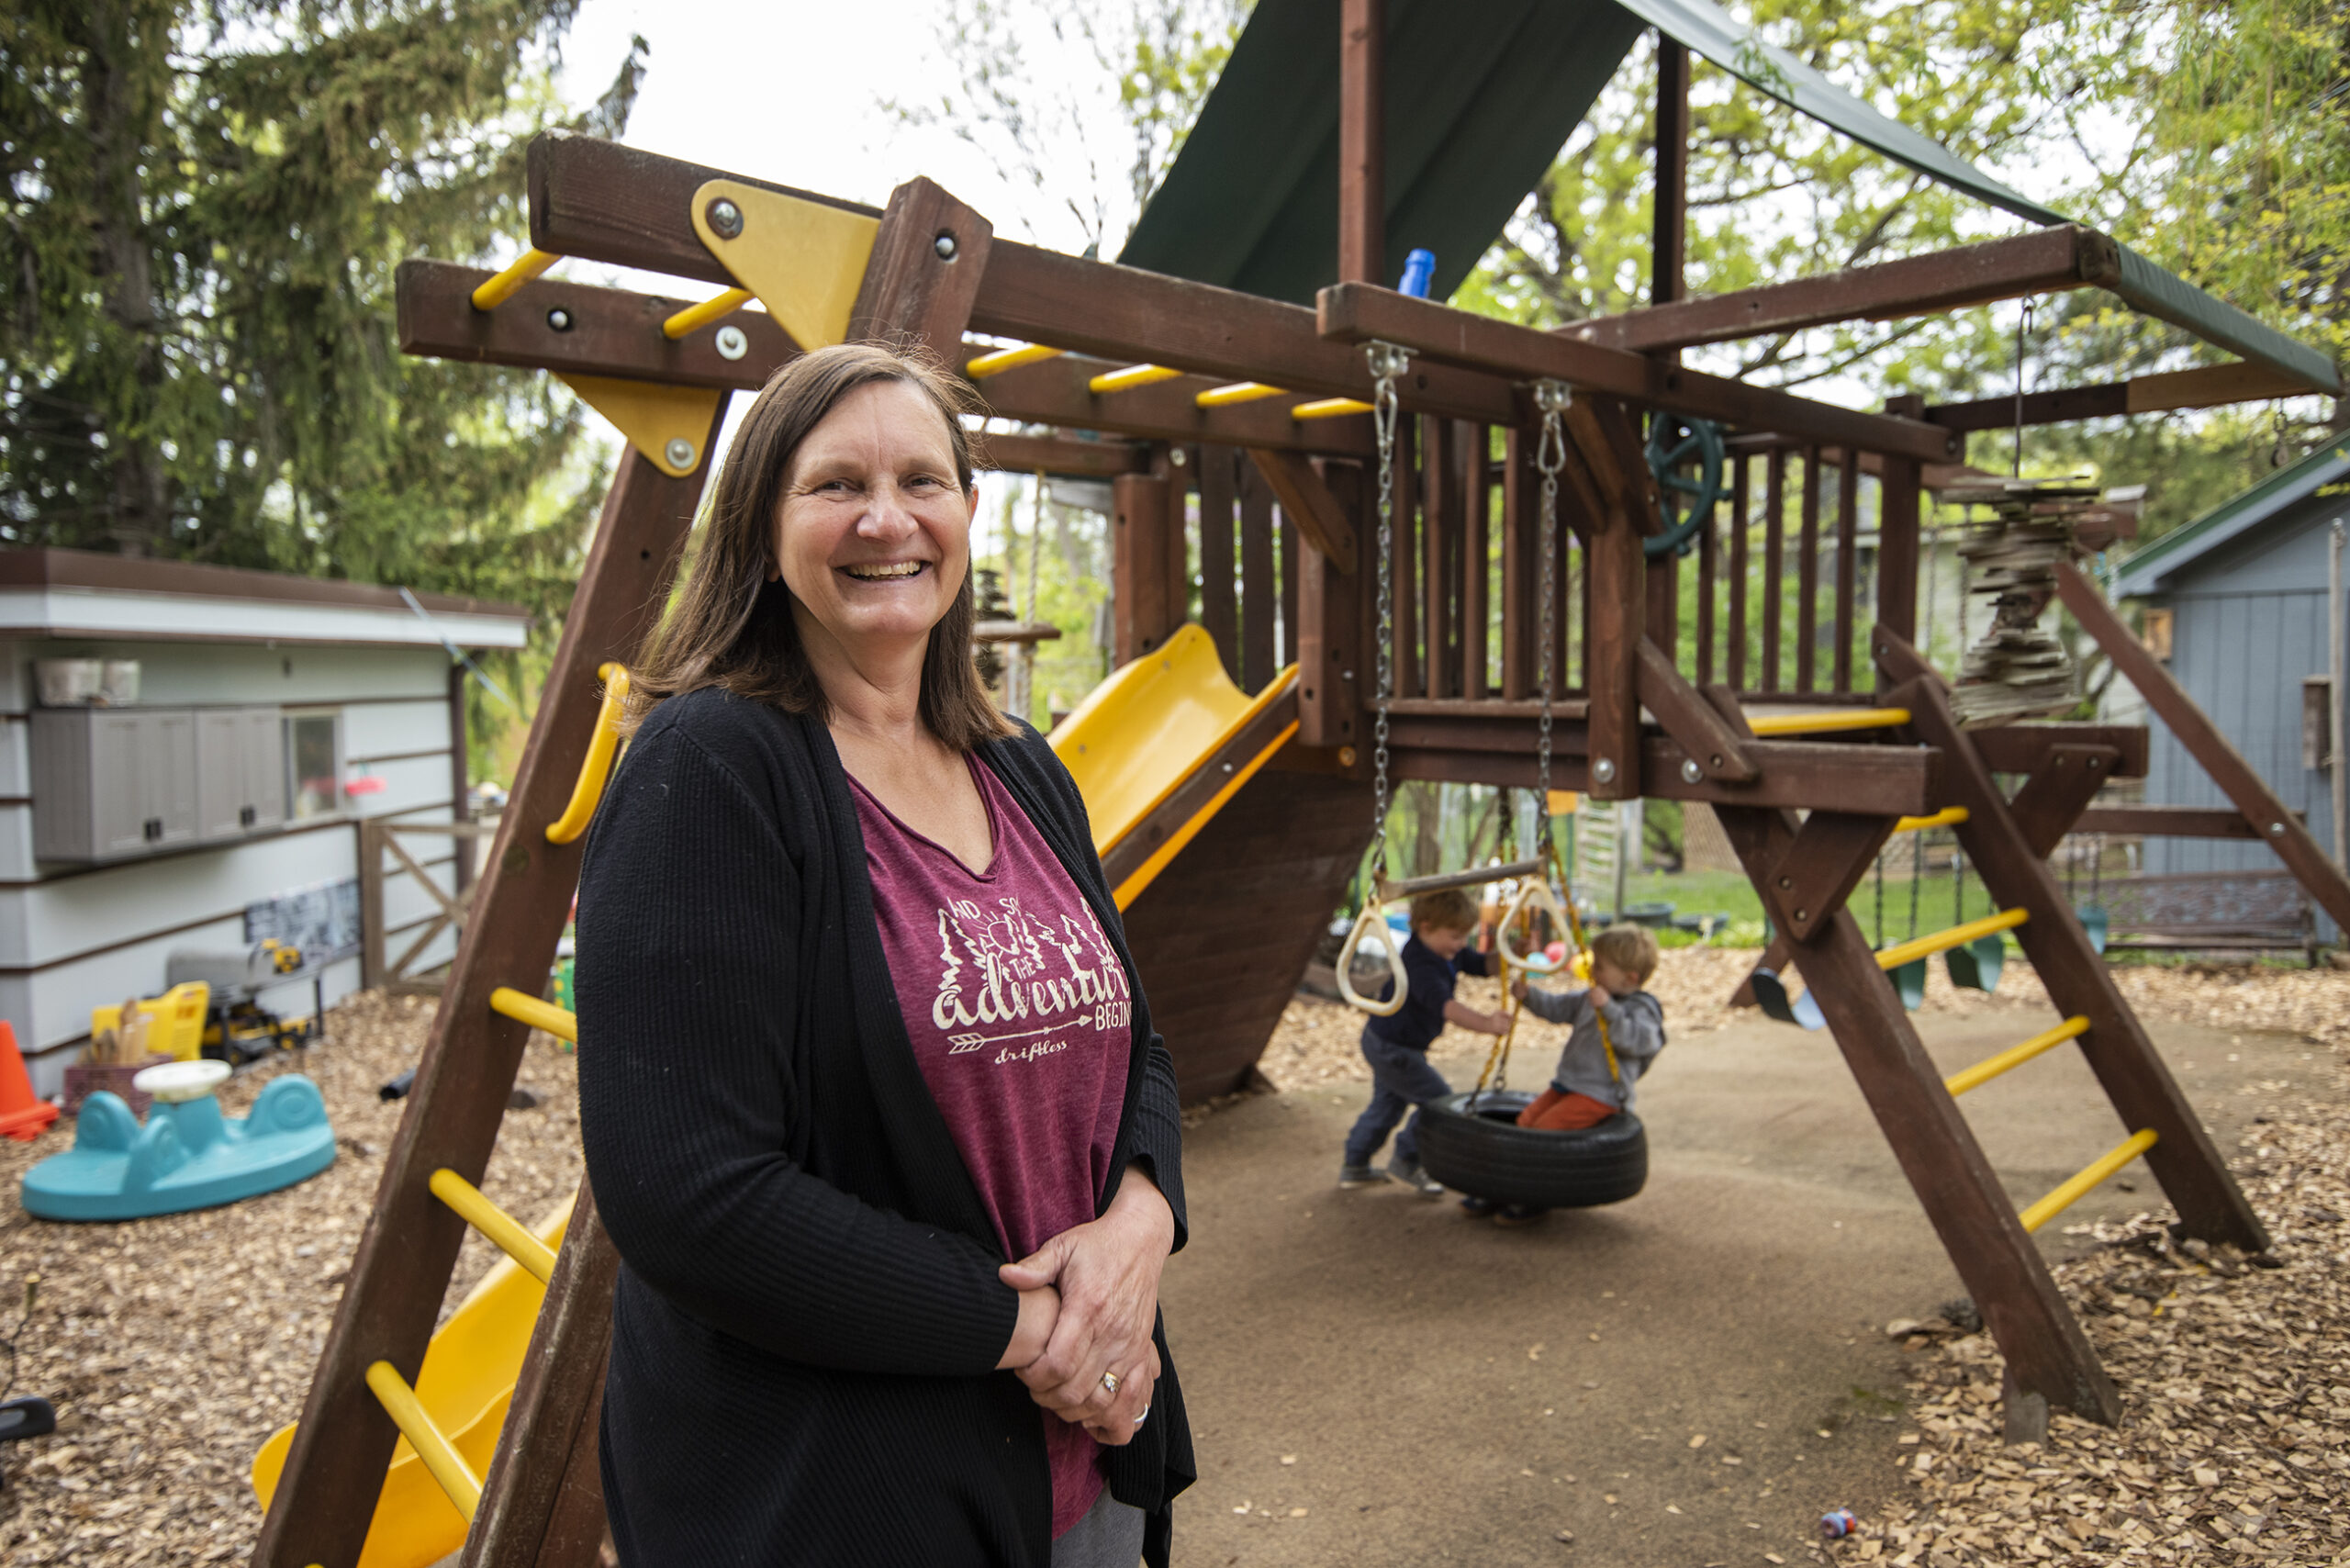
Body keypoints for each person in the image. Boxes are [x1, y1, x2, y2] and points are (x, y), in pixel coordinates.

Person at [575, 342, 1194, 1567]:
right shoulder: (709, 774)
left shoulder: (1022, 767)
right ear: (763, 524)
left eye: (923, 479)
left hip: (1088, 1464)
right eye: (835, 485)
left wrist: (1142, 1224)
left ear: (967, 512)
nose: (885, 518)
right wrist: (1036, 1333)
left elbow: (1141, 1054)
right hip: (842, 1498)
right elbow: (691, 1197)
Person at [1337, 888, 1512, 1195]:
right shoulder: (1419, 964)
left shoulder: (1443, 951)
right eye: (1456, 936)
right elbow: (1447, 1007)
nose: (1461, 945)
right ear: (1426, 927)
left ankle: (1355, 1165)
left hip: (1388, 1041)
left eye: (1465, 938)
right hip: (1393, 1048)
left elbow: (1482, 965)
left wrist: (1512, 954)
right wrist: (1485, 1024)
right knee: (1439, 1103)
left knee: (1387, 1107)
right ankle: (1406, 1159)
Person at [1513, 923, 1667, 1131]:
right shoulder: (1592, 998)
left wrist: (1609, 1009)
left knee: (1545, 1129)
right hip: (1568, 1084)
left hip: (1601, 1095)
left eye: (1600, 967)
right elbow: (1557, 1008)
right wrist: (1529, 996)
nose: (1592, 971)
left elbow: (1639, 1043)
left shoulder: (1641, 1010)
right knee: (1524, 1122)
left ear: (1630, 977)